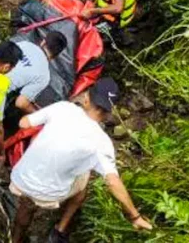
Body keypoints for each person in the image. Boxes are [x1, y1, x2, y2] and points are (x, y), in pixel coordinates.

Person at [10, 78, 152, 243]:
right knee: (85, 174)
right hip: (49, 194)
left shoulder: (62, 107)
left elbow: (23, 123)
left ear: (86, 99)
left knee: (27, 205)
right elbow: (113, 182)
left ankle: (16, 239)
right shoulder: (101, 142)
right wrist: (135, 217)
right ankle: (60, 230)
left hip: (21, 179)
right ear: (109, 112)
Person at [7, 31, 68, 114]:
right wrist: (39, 114)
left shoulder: (24, 44)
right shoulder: (44, 75)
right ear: (56, 56)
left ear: (43, 42)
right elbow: (21, 103)